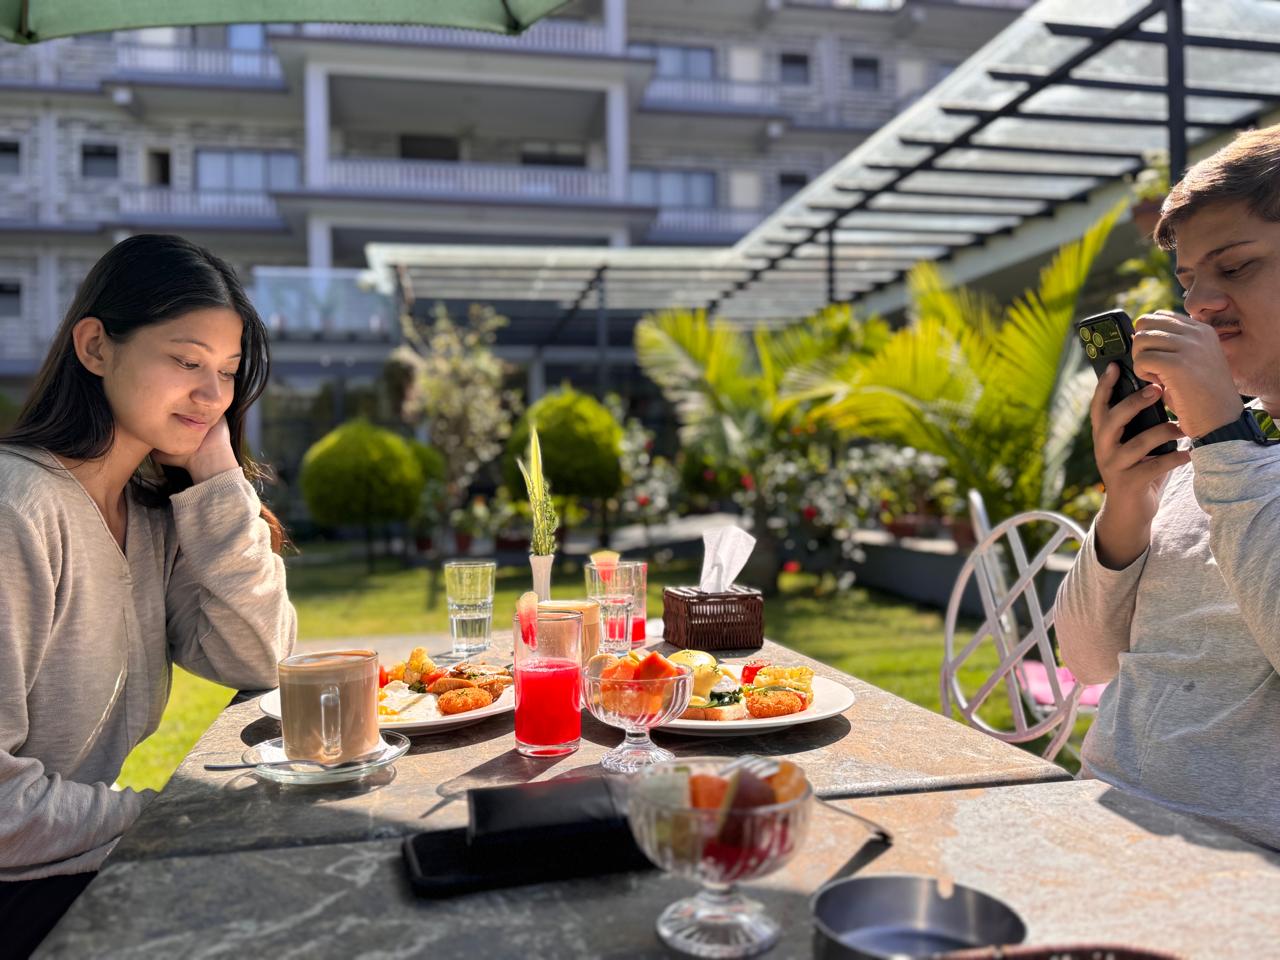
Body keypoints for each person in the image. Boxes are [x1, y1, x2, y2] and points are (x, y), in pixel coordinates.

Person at [0, 235, 297, 955]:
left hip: (64, 867)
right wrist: (171, 817)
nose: (212, 394)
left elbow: (261, 659)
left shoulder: (151, 513)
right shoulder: (18, 511)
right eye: (186, 361)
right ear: (96, 347)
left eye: (226, 373)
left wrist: (219, 475)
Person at [1056, 125, 1280, 851]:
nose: (1201, 303)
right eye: (1188, 280)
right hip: (1100, 816)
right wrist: (1128, 506)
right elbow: (1086, 661)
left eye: (1236, 267)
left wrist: (1220, 437)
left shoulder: (1225, 452)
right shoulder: (1213, 459)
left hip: (1239, 867)